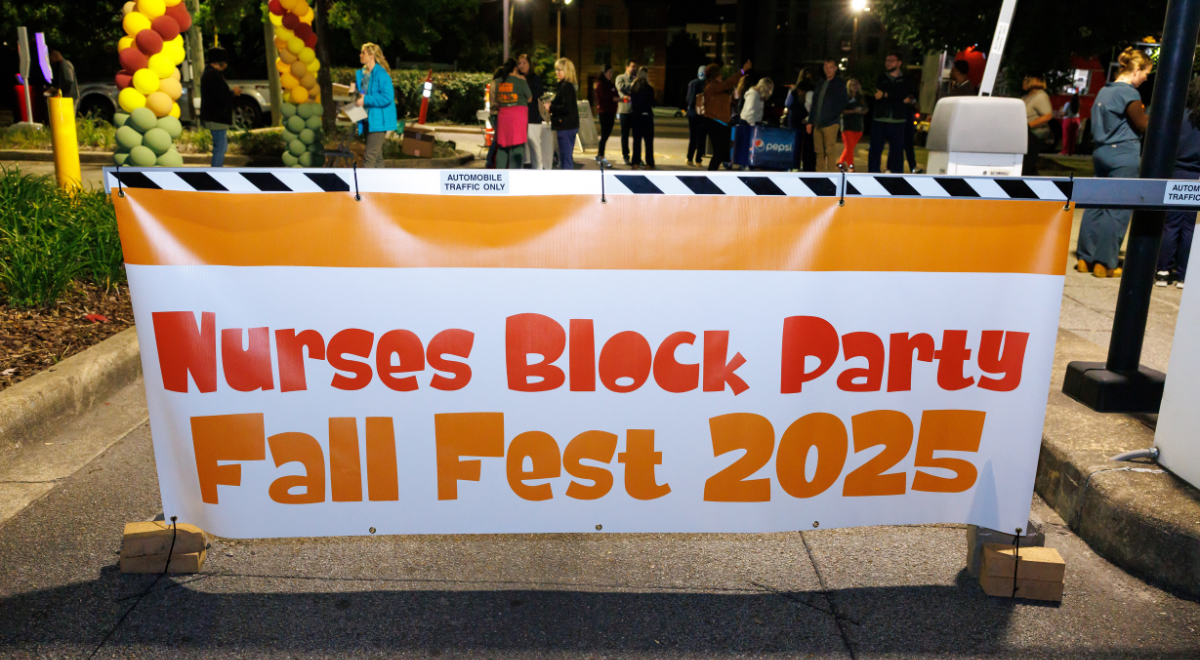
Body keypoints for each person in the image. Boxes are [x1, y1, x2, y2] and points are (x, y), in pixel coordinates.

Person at [1076, 47, 1152, 278]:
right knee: (1117, 208)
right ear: (1136, 69)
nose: (1147, 77)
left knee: (1096, 205)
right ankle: (1105, 263)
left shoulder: (1104, 91)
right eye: (1146, 72)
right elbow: (1143, 126)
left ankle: (1084, 258)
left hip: (1101, 152)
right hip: (1123, 155)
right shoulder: (1129, 93)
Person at [1157, 77, 1200, 289]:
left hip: (1175, 173)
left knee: (1170, 225)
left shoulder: (1178, 117)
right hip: (1196, 176)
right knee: (1189, 226)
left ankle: (1163, 270)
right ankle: (1183, 274)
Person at [352, 43, 398, 168]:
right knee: (377, 158)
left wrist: (365, 100)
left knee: (369, 156)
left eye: (363, 53)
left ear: (371, 56)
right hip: (368, 119)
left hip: (379, 121)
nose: (360, 55)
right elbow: (364, 92)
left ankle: (364, 186)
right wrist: (356, 91)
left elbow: (387, 97)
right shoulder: (365, 74)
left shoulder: (381, 74)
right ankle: (380, 186)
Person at [701, 60, 752, 171]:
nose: (721, 75)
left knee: (722, 153)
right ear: (715, 75)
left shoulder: (719, 88)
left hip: (722, 123)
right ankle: (710, 175)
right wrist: (743, 70)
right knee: (719, 153)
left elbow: (730, 104)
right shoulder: (712, 86)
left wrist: (736, 98)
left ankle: (711, 174)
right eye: (719, 73)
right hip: (714, 122)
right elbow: (730, 82)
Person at [868, 52, 914, 173]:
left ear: (899, 63)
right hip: (880, 119)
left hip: (898, 121)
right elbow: (877, 95)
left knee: (897, 152)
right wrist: (898, 96)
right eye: (887, 60)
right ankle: (872, 176)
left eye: (892, 60)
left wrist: (885, 94)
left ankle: (896, 179)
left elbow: (905, 94)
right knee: (875, 151)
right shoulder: (880, 78)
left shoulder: (906, 79)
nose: (888, 63)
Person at [200, 47, 240, 167]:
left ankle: (217, 171)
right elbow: (220, 96)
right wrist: (233, 93)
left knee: (221, 147)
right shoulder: (213, 76)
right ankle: (216, 173)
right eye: (225, 62)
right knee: (220, 148)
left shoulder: (209, 73)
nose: (226, 65)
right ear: (219, 62)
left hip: (215, 117)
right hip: (216, 117)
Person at [807, 58, 849, 172]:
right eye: (826, 67)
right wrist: (810, 121)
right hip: (818, 123)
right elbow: (814, 104)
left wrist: (833, 114)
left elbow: (844, 101)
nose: (828, 70)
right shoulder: (820, 83)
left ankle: (831, 176)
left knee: (830, 151)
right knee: (819, 152)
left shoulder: (840, 83)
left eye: (831, 67)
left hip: (830, 123)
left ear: (835, 68)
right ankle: (820, 176)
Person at [493, 57, 531, 169]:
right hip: (518, 117)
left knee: (503, 147)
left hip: (503, 117)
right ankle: (514, 174)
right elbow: (529, 98)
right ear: (515, 68)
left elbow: (496, 98)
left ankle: (500, 173)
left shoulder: (499, 82)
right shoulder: (520, 81)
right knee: (517, 147)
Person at [547, 57, 580, 170]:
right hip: (568, 125)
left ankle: (567, 183)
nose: (557, 72)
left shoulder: (566, 86)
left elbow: (566, 107)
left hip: (565, 125)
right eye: (556, 69)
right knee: (566, 157)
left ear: (567, 70)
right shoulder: (566, 85)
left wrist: (550, 107)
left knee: (565, 158)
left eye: (559, 69)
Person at [518, 54, 547, 169]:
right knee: (521, 148)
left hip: (532, 117)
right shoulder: (516, 78)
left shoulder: (535, 78)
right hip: (519, 117)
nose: (522, 65)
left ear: (530, 64)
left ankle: (538, 169)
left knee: (534, 146)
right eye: (520, 63)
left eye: (524, 63)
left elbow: (538, 93)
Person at [1022, 74, 1054, 175]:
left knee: (1026, 166)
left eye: (1026, 79)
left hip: (1033, 136)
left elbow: (1047, 115)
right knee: (1027, 167)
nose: (1023, 81)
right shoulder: (1027, 97)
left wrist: (1029, 125)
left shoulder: (1040, 96)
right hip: (1025, 135)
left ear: (1035, 80)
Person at [784, 68, 814, 171]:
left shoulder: (794, 89)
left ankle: (794, 165)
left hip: (795, 118)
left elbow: (787, 103)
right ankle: (806, 166)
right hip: (807, 119)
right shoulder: (814, 89)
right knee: (807, 144)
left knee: (795, 143)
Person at [629, 67, 656, 169]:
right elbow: (653, 103)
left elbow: (633, 102)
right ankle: (649, 163)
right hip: (646, 117)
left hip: (636, 117)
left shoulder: (634, 87)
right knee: (648, 141)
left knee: (637, 141)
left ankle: (635, 162)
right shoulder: (649, 88)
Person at [838, 78, 867, 172]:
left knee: (850, 147)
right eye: (852, 84)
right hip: (847, 125)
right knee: (849, 147)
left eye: (856, 84)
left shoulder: (861, 97)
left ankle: (840, 162)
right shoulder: (845, 97)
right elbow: (840, 110)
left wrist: (862, 111)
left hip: (858, 126)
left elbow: (866, 108)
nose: (855, 86)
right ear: (849, 86)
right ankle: (851, 166)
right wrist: (852, 111)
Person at [594, 63, 618, 165]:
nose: (611, 74)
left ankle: (599, 155)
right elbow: (608, 97)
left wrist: (621, 99)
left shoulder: (611, 84)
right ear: (604, 73)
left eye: (611, 72)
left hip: (611, 112)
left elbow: (615, 95)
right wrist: (624, 99)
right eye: (609, 72)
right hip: (604, 112)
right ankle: (601, 155)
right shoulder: (600, 85)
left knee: (606, 134)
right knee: (604, 134)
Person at [615, 59, 637, 165]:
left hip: (635, 111)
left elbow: (639, 90)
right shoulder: (620, 78)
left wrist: (628, 90)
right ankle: (626, 156)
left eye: (635, 67)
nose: (634, 69)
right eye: (632, 66)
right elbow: (620, 88)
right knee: (625, 135)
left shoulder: (637, 79)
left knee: (637, 135)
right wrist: (632, 86)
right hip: (624, 111)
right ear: (626, 67)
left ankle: (637, 156)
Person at [686, 65, 708, 166]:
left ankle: (689, 158)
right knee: (702, 136)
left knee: (693, 136)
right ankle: (698, 160)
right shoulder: (706, 84)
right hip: (702, 113)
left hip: (692, 112)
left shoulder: (692, 83)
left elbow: (688, 99)